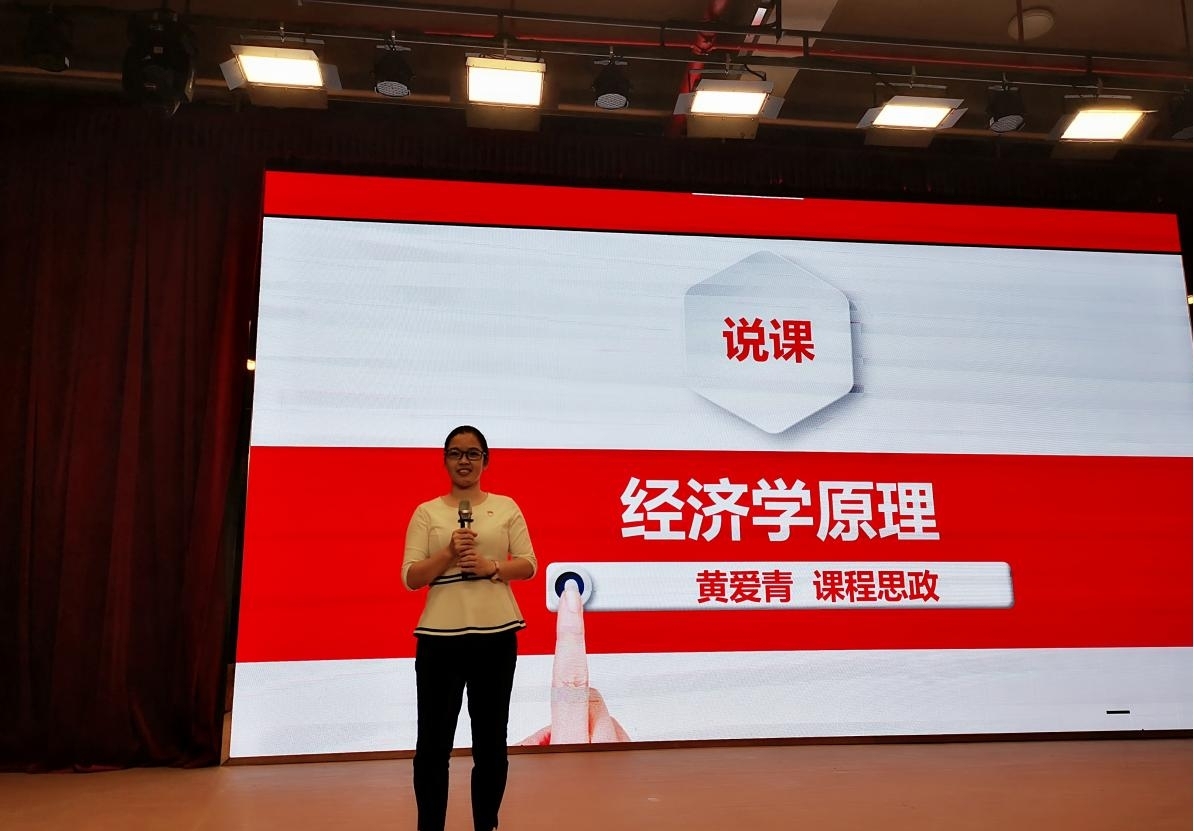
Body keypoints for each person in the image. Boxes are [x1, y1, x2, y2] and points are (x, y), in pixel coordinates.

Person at [402, 425, 537, 831]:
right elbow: (411, 576)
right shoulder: (427, 512)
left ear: (485, 461)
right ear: (444, 460)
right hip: (439, 641)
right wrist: (448, 552)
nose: (464, 461)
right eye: (456, 453)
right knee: (432, 746)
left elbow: (528, 564)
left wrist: (491, 566)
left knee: (491, 744)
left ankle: (486, 825)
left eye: (473, 453)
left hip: (496, 636)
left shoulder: (506, 507)